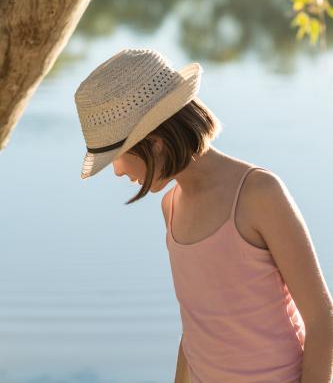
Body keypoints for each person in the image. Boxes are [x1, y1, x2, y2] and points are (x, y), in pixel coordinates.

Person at [74, 48, 333, 383]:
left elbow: (322, 319)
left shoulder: (259, 194)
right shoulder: (171, 207)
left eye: (118, 157)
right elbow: (195, 330)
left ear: (155, 144)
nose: (118, 172)